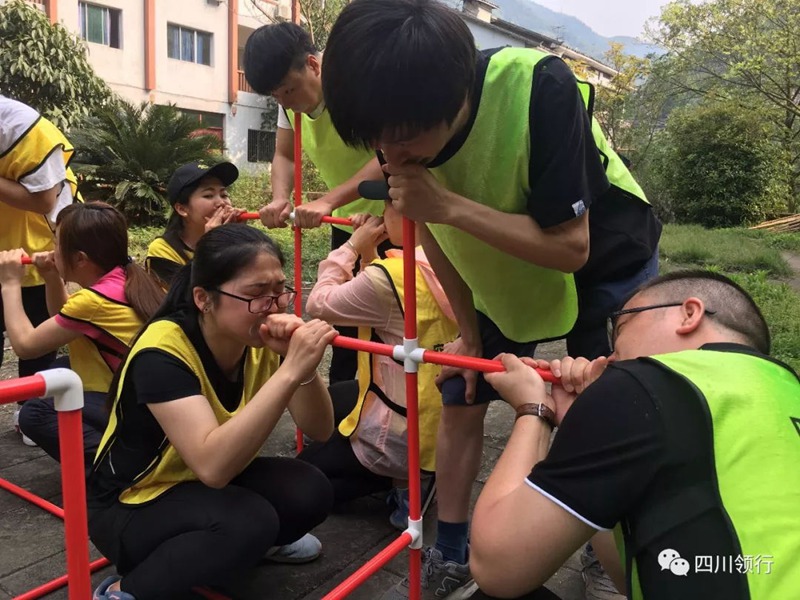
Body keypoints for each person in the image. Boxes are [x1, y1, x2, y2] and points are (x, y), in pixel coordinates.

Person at [320, 1, 661, 596]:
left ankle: (606, 545)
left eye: (403, 143)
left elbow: (571, 247)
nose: (390, 158)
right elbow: (428, 229)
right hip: (496, 264)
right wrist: (471, 336)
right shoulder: (395, 122)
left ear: (453, 100)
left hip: (604, 256)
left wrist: (447, 205)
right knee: (461, 386)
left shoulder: (539, 87)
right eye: (376, 144)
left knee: (605, 403)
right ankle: (451, 547)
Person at [470, 270, 800, 600]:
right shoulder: (785, 391)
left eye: (622, 326)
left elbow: (497, 569)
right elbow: (633, 578)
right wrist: (581, 427)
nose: (611, 357)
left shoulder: (644, 382)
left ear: (689, 314)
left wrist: (533, 410)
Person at [88, 224, 337, 600]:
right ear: (204, 298)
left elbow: (320, 429)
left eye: (279, 291)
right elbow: (213, 467)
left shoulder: (256, 339)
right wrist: (289, 371)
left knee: (310, 489)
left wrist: (300, 367)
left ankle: (233, 552)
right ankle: (124, 591)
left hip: (197, 484)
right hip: (129, 506)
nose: (273, 306)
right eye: (255, 294)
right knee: (248, 521)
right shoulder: (162, 353)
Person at [243, 22, 388, 385]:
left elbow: (390, 154)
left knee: (394, 323)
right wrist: (280, 197)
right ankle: (345, 405)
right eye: (276, 96)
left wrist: (327, 200)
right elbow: (284, 155)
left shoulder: (356, 84)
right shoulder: (288, 103)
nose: (284, 101)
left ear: (313, 64)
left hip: (395, 221)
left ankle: (395, 403)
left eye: (288, 90)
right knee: (344, 324)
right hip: (348, 223)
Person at [299, 201, 458, 528]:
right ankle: (415, 476)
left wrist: (350, 246)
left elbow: (318, 304)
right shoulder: (451, 260)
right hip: (438, 412)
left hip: (399, 426)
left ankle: (405, 483)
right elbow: (384, 302)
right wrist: (369, 252)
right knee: (335, 398)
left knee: (306, 478)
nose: (381, 214)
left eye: (388, 205)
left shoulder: (393, 275)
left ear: (410, 214)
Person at [0, 202, 164, 468]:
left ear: (79, 259)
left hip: (144, 411)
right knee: (60, 368)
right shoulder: (126, 277)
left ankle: (120, 467)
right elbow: (63, 319)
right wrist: (51, 277)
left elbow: (26, 346)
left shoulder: (94, 301)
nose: (52, 250)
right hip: (149, 397)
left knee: (35, 413)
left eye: (56, 243)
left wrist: (9, 284)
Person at [0, 95, 80, 444]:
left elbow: (44, 199)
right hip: (6, 244)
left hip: (36, 253)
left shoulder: (25, 128)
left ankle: (30, 413)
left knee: (38, 338)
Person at [145, 161, 243, 288]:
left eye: (224, 195)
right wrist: (211, 245)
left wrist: (241, 238)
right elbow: (185, 296)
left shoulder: (233, 241)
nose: (221, 203)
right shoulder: (162, 250)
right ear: (182, 209)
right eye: (208, 195)